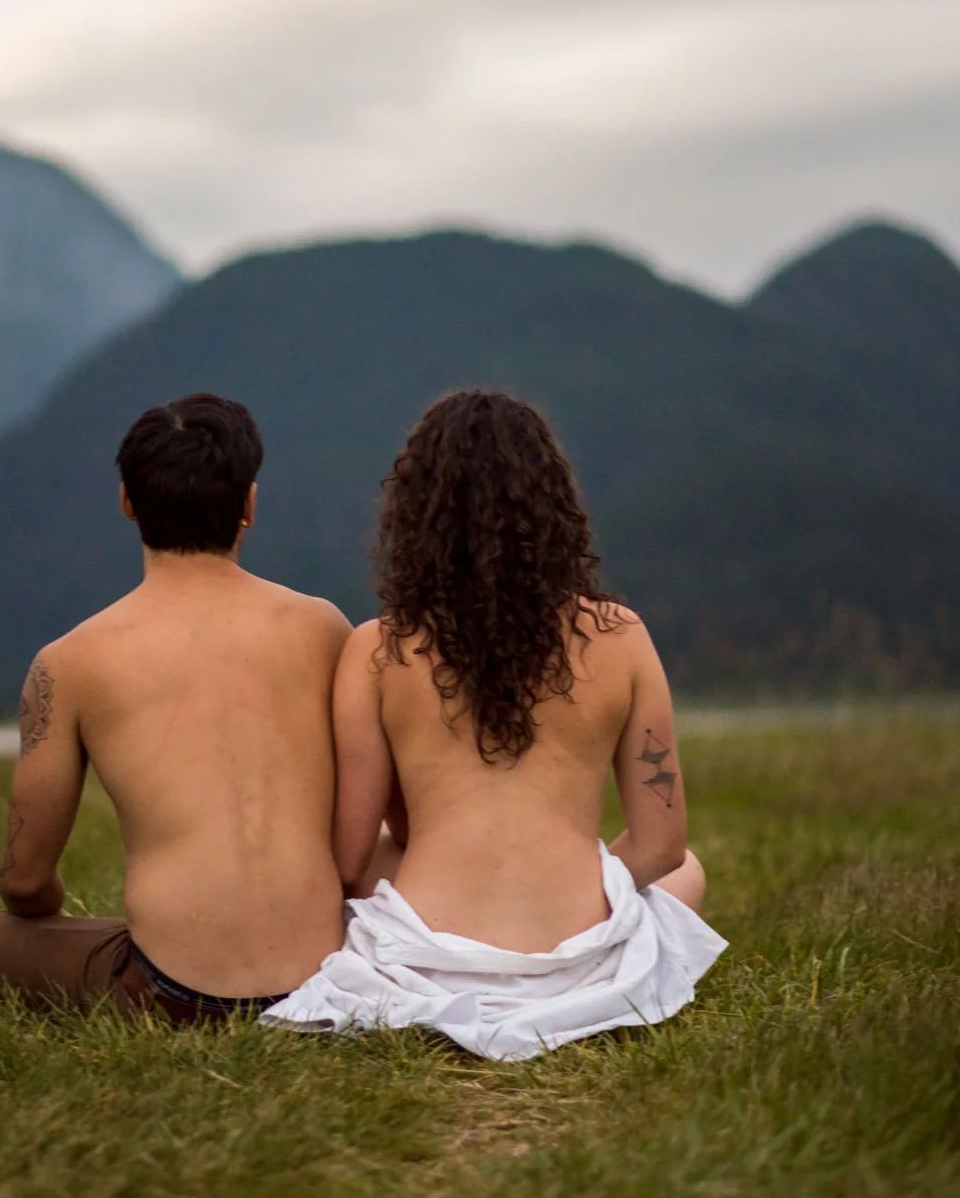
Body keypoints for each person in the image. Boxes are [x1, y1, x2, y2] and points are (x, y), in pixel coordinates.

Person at [263, 389, 726, 1059]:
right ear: (552, 506)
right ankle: (569, 932)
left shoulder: (379, 648)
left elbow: (348, 858)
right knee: (690, 869)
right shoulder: (621, 636)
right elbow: (661, 845)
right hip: (579, 956)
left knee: (393, 849)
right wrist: (573, 882)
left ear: (416, 513)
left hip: (426, 957)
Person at [0, 393, 353, 1023]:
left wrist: (60, 917)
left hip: (173, 993)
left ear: (128, 503)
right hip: (327, 978)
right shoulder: (324, 629)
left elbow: (23, 884)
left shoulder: (69, 662)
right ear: (249, 503)